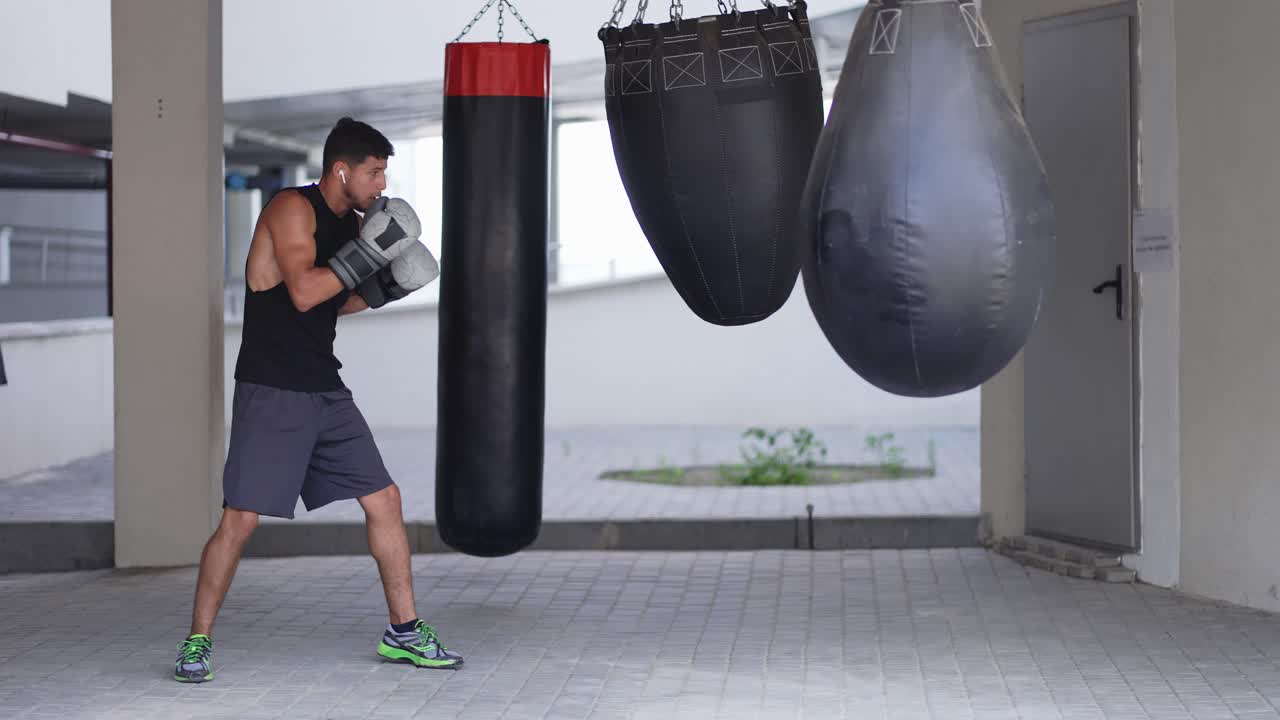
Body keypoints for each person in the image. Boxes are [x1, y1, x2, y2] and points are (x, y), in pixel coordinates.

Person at [173, 117, 459, 683]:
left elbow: (337, 302)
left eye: (384, 174)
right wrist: (371, 253)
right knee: (241, 519)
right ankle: (196, 642)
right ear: (341, 169)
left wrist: (386, 287)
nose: (381, 185)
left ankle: (403, 631)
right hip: (272, 385)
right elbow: (304, 293)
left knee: (385, 500)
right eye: (374, 172)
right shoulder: (290, 209)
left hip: (325, 388)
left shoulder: (353, 224)